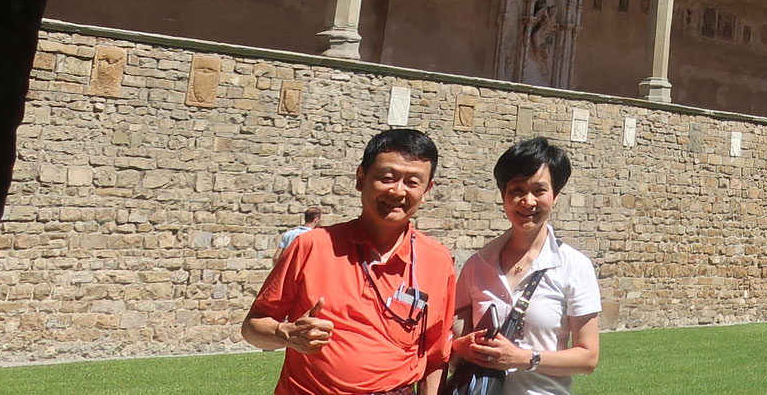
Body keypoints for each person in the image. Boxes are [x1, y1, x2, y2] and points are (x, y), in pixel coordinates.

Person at [243, 128, 458, 395]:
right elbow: (252, 327)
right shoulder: (312, 246)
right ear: (361, 178)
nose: (398, 191)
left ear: (427, 190)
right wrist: (285, 333)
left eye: (413, 182)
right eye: (387, 177)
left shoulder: (437, 261)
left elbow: (436, 356)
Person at [451, 137, 600, 393]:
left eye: (539, 190)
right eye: (517, 190)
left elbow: (588, 357)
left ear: (555, 196)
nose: (527, 201)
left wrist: (523, 357)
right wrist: (462, 346)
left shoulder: (574, 266)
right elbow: (452, 342)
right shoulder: (477, 265)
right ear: (504, 196)